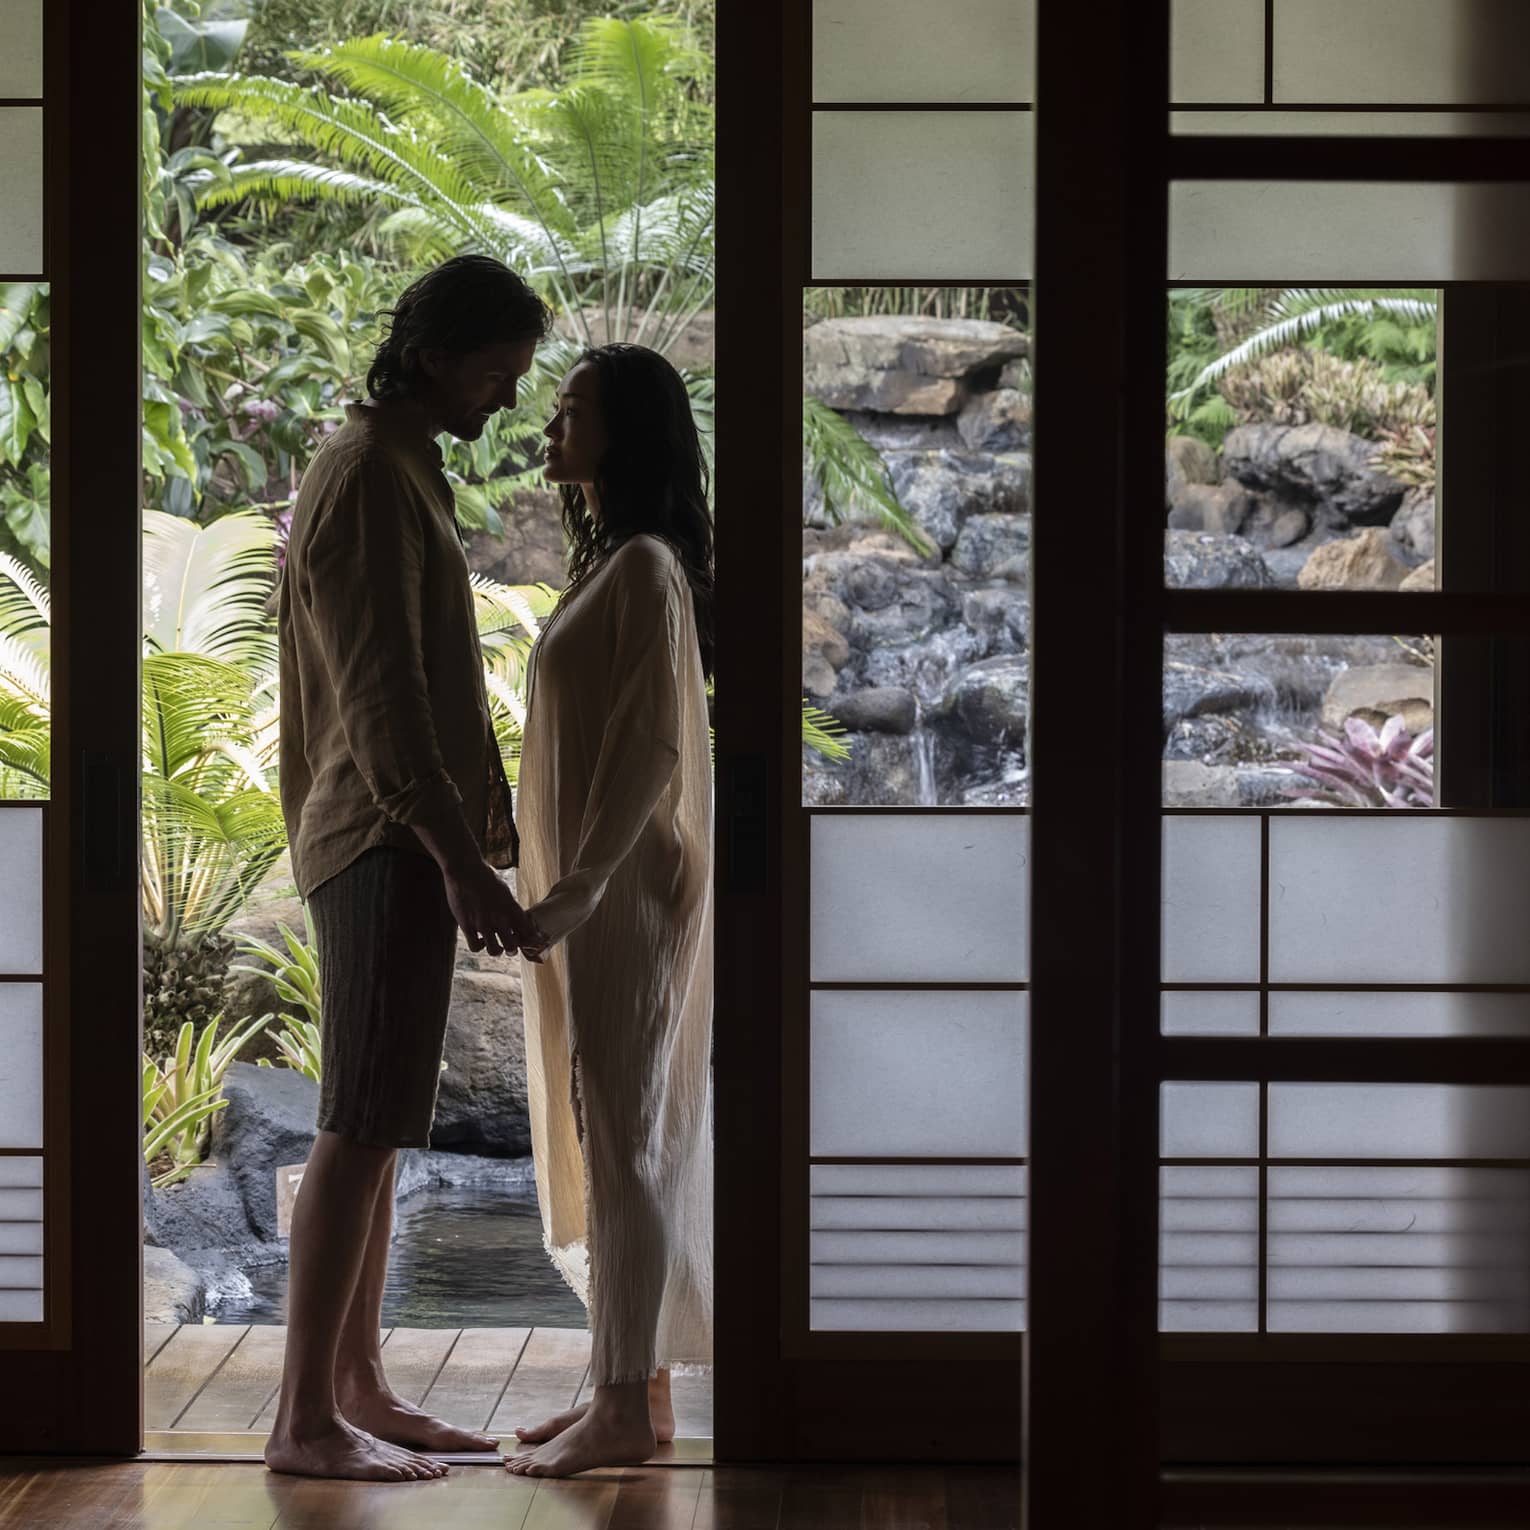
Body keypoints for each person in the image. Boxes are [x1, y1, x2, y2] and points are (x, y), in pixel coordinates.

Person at [266, 254, 551, 1483]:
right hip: (381, 836)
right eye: (496, 371)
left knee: (378, 1122)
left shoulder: (399, 466)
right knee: (354, 1126)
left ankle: (358, 1384)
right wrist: (459, 859)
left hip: (393, 832)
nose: (505, 397)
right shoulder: (369, 474)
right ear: (435, 352)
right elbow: (384, 705)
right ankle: (301, 1423)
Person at [505, 343, 715, 1477]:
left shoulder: (643, 568)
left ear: (623, 432)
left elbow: (648, 751)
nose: (551, 423)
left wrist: (578, 890)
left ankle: (624, 1410)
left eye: (572, 408)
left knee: (631, 1140)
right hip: (594, 888)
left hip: (624, 889)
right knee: (626, 1130)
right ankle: (631, 1392)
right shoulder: (612, 563)